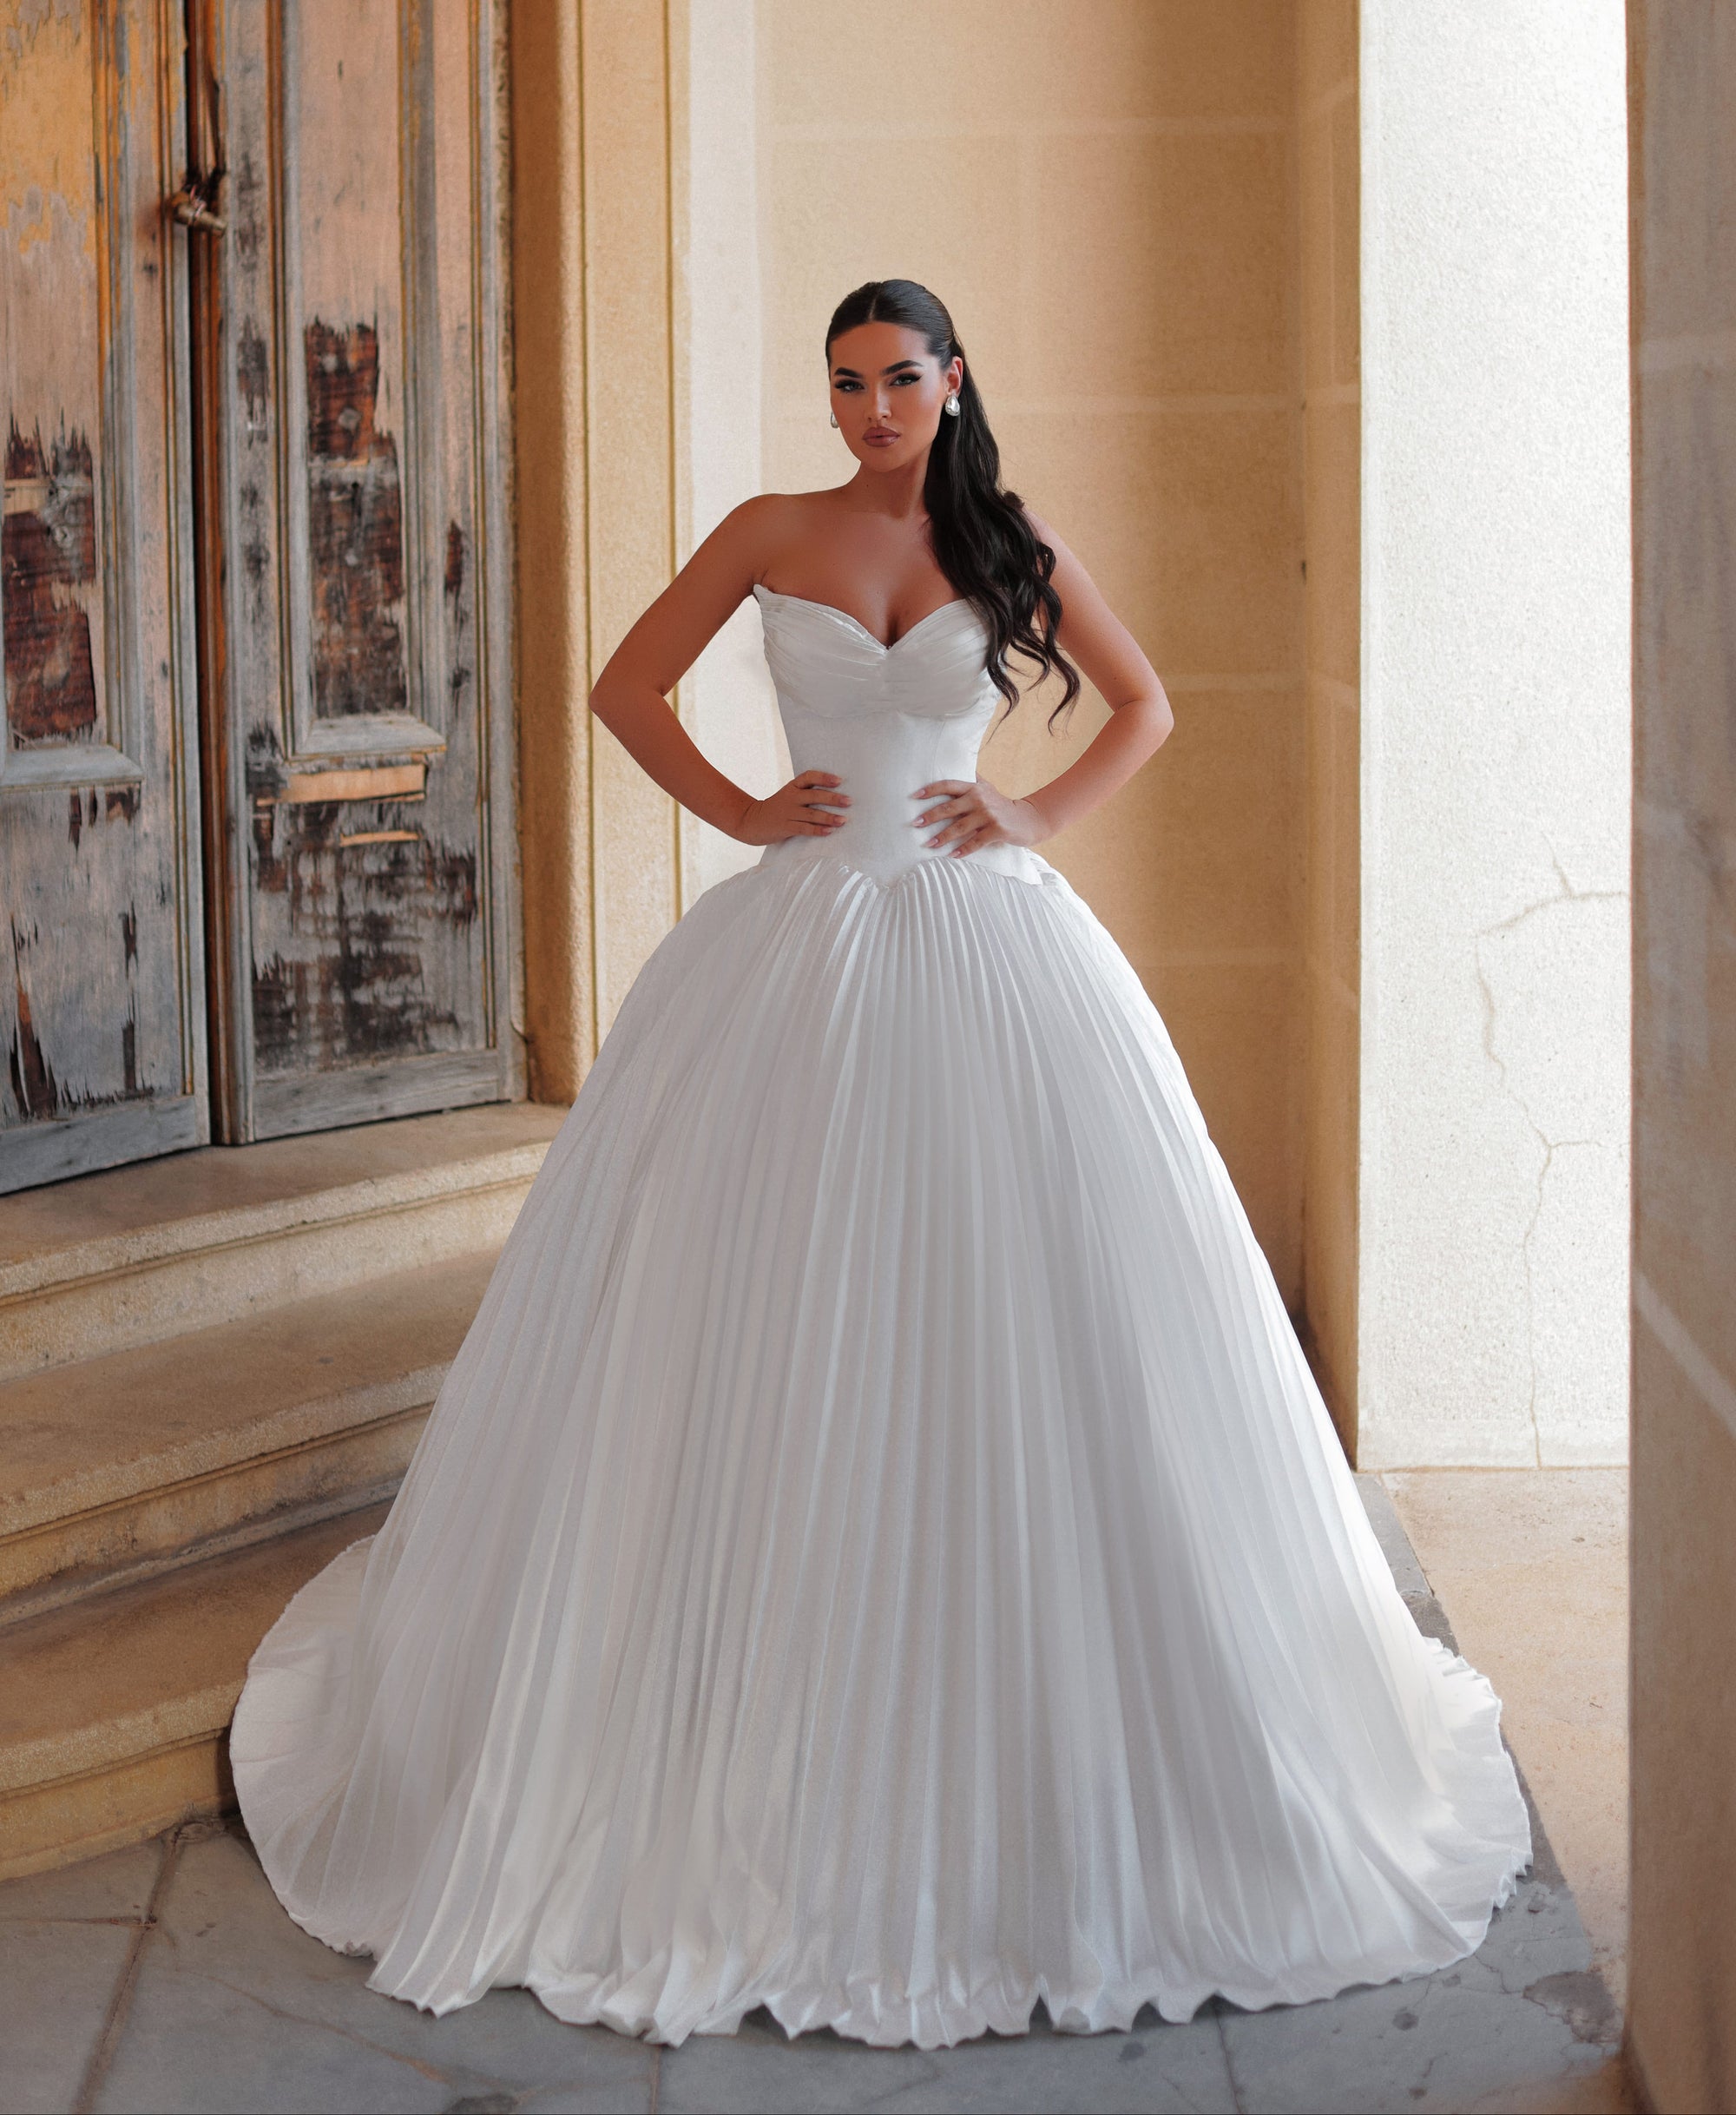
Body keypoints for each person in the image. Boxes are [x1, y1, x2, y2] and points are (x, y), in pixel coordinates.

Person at [232, 279, 1530, 2051]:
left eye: (895, 380)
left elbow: (1144, 706)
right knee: (760, 1304)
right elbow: (626, 685)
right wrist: (742, 808)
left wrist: (1028, 814)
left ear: (951, 378)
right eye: (843, 384)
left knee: (1024, 1311)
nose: (867, 412)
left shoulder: (1009, 538)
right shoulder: (770, 529)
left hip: (988, 948)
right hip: (797, 961)